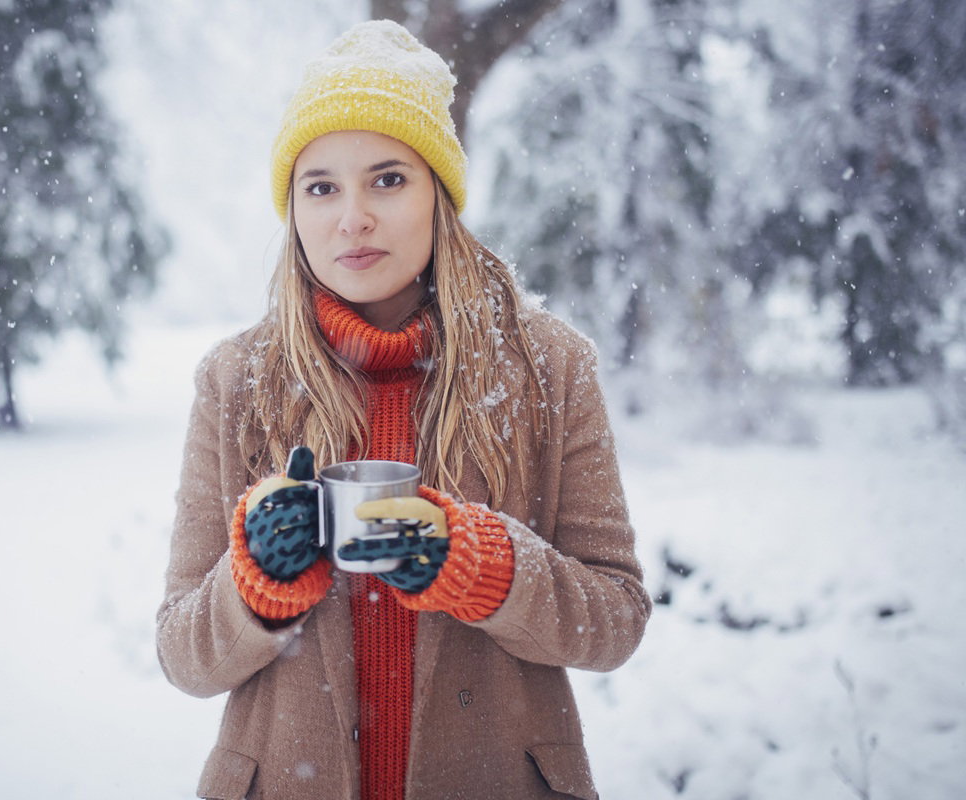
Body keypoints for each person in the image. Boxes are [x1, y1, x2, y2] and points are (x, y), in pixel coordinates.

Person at [156, 19, 650, 800]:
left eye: (387, 178)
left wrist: (484, 568)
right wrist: (254, 585)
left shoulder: (551, 366)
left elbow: (615, 619)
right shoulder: (235, 381)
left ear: (439, 196)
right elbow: (183, 654)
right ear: (294, 210)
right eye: (321, 187)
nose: (352, 217)